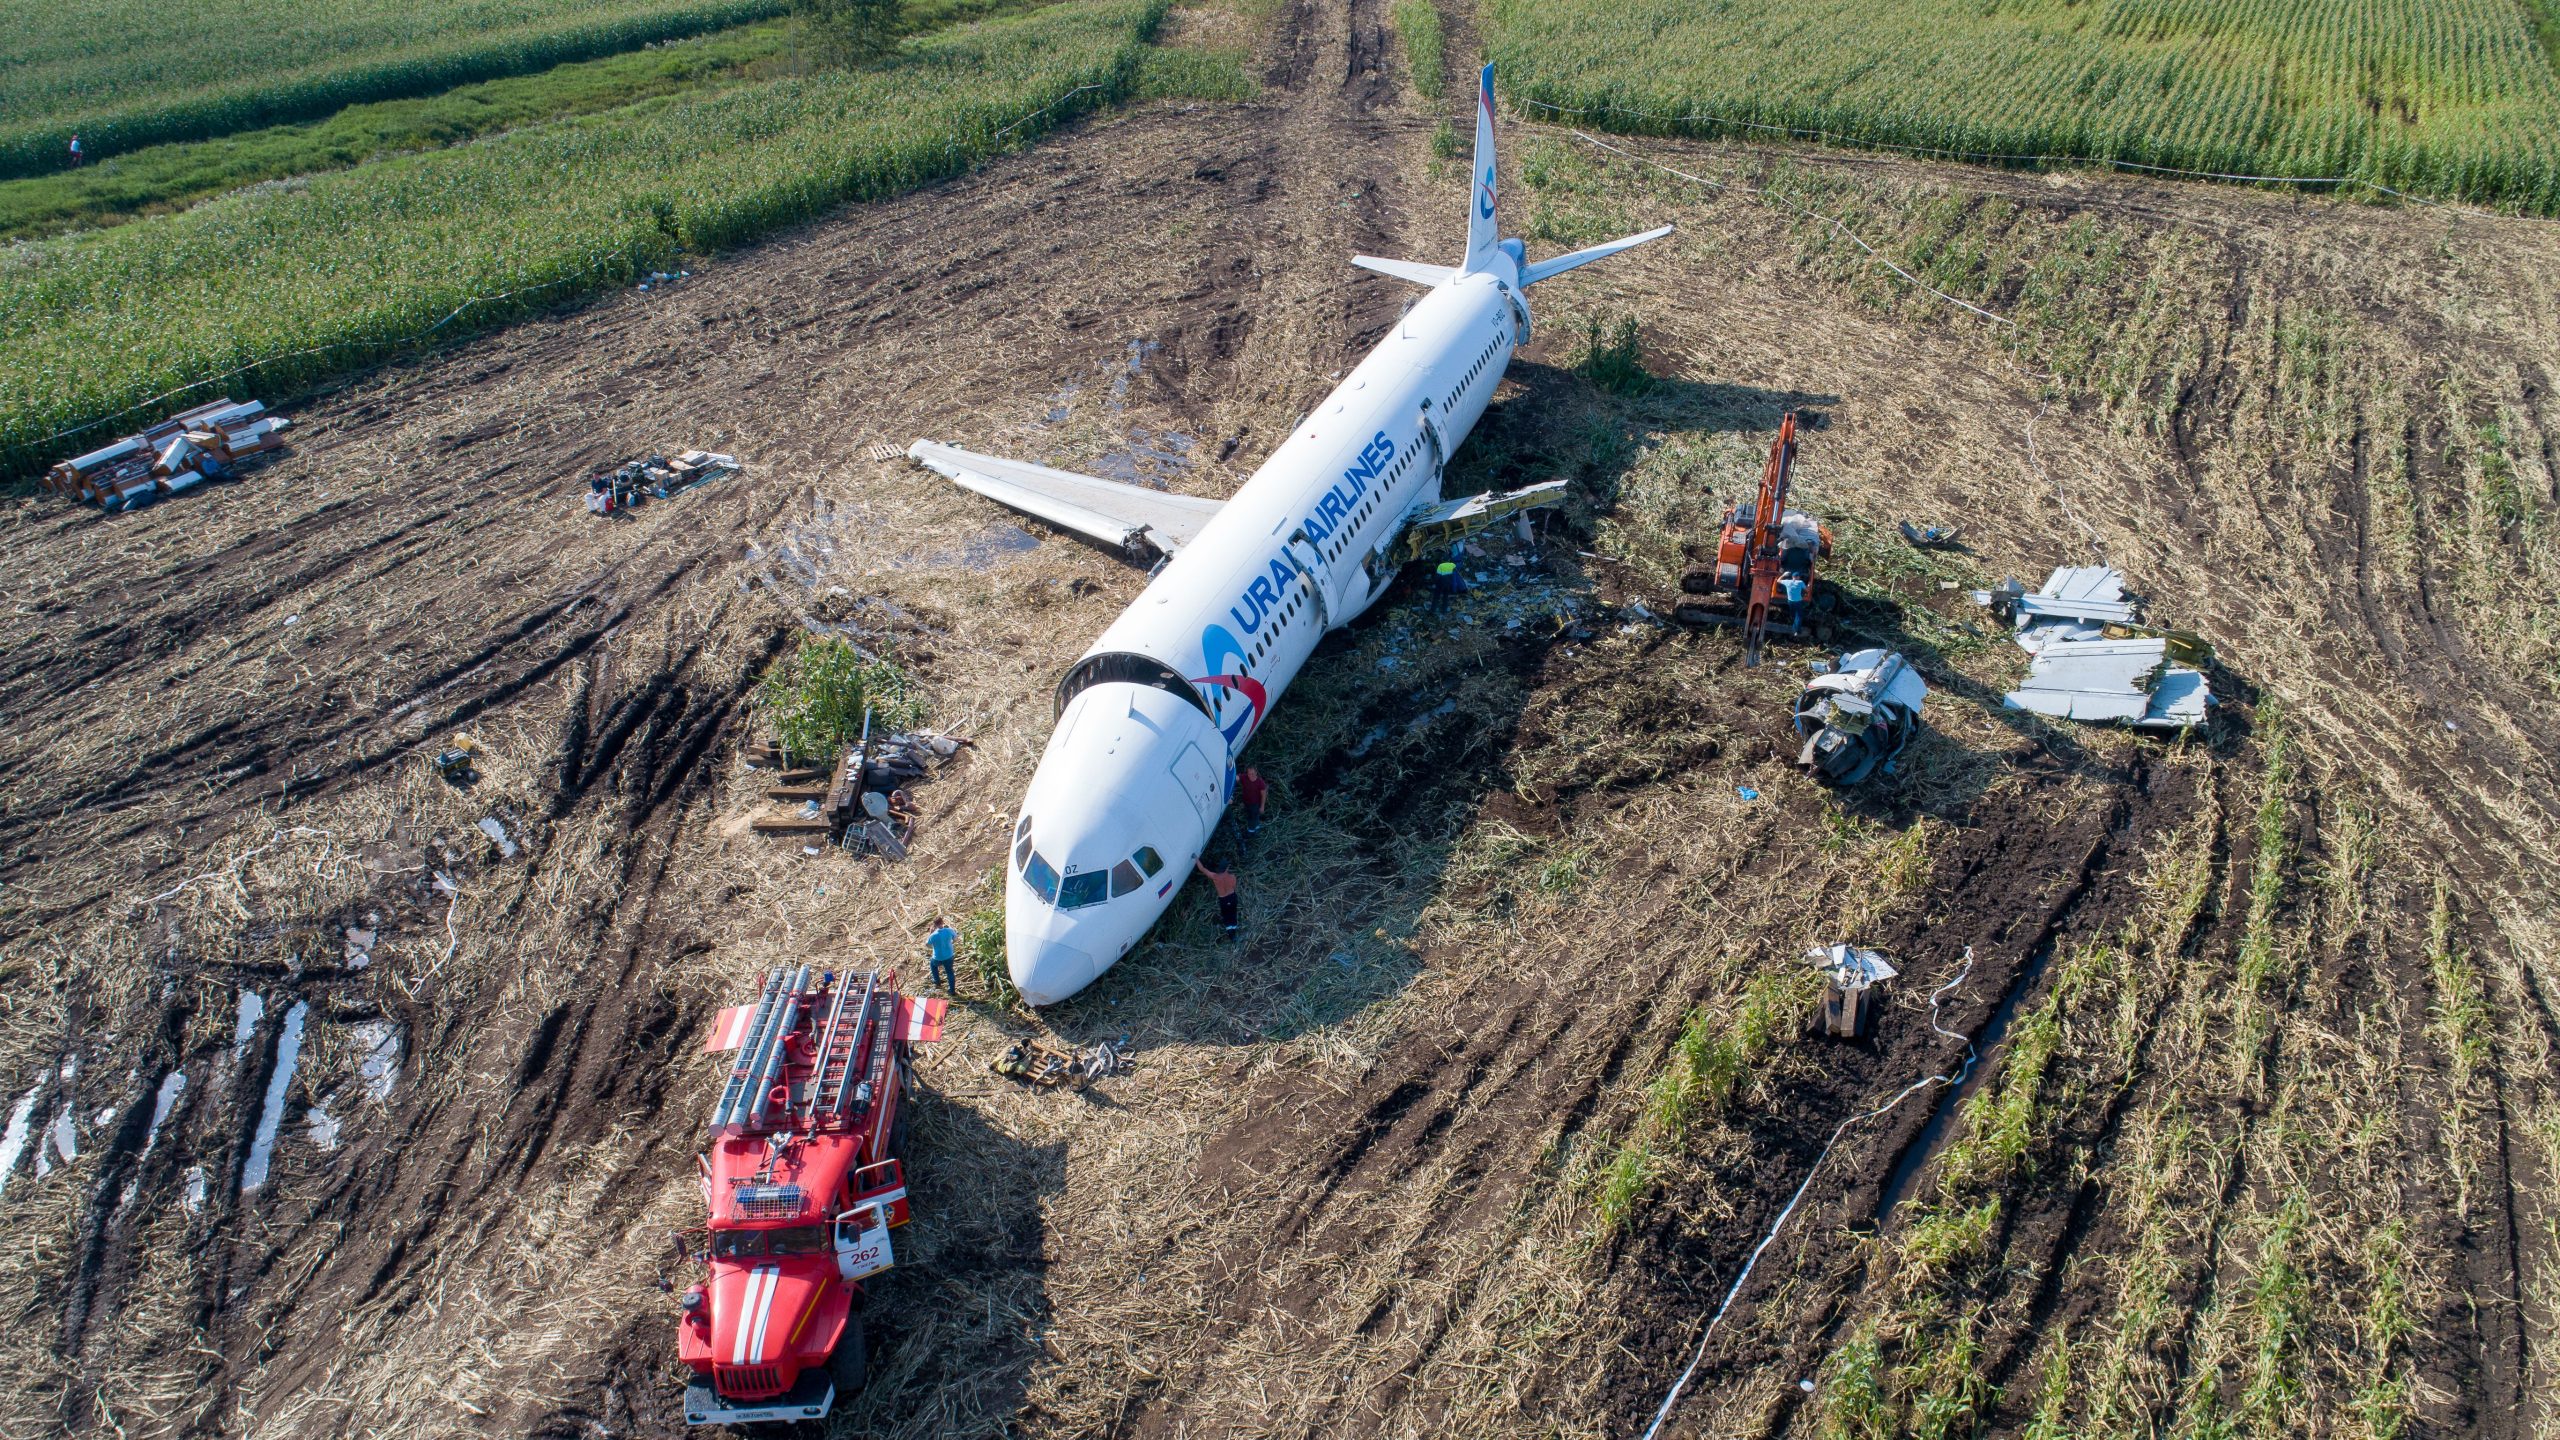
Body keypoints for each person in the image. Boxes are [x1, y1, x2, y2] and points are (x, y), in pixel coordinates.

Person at [1195, 857, 1240, 937]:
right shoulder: (1232, 877)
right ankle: (1234, 930)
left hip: (1223, 900)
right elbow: (1234, 887)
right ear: (1227, 868)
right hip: (1232, 897)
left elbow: (1202, 869)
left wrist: (1196, 858)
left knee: (1226, 915)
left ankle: (1230, 933)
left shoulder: (1215, 877)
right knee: (1233, 914)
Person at [925, 917, 958, 993]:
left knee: (933, 966)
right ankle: (952, 991)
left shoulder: (933, 935)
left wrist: (933, 946)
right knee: (950, 972)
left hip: (937, 957)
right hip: (949, 956)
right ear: (942, 922)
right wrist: (951, 943)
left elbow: (927, 944)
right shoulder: (949, 930)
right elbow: (955, 938)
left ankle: (937, 981)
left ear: (934, 925)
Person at [1236, 766, 1268, 836]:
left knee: (1252, 817)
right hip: (1246, 802)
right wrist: (1236, 778)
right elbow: (1238, 777)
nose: (1250, 775)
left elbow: (1263, 795)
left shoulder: (1260, 782)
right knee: (1253, 816)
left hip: (1255, 804)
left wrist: (1262, 807)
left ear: (1256, 773)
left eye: (1252, 773)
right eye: (1249, 773)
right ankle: (1257, 827)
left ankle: (1250, 832)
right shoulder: (1245, 777)